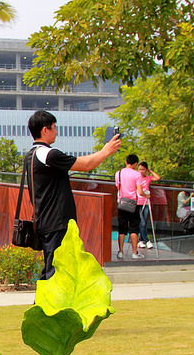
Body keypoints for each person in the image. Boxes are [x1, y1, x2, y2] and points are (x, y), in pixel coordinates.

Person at [25, 110, 121, 280]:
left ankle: (47, 297)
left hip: (44, 219)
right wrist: (106, 151)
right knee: (55, 272)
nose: (56, 132)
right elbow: (86, 165)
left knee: (53, 269)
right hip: (56, 221)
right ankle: (46, 298)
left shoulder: (31, 154)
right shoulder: (49, 154)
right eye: (54, 128)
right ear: (45, 130)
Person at [115, 154, 144, 260]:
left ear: (126, 162)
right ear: (135, 164)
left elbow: (118, 187)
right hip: (132, 204)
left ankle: (120, 252)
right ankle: (134, 252)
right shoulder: (137, 174)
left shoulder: (118, 173)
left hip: (121, 203)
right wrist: (146, 195)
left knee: (122, 228)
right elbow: (140, 191)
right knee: (134, 228)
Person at [136, 161, 160, 249]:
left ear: (146, 170)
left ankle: (141, 240)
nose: (141, 171)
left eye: (143, 169)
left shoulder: (148, 178)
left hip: (146, 202)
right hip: (138, 202)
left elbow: (157, 178)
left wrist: (151, 171)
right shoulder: (136, 178)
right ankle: (146, 240)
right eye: (139, 169)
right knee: (142, 222)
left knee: (144, 222)